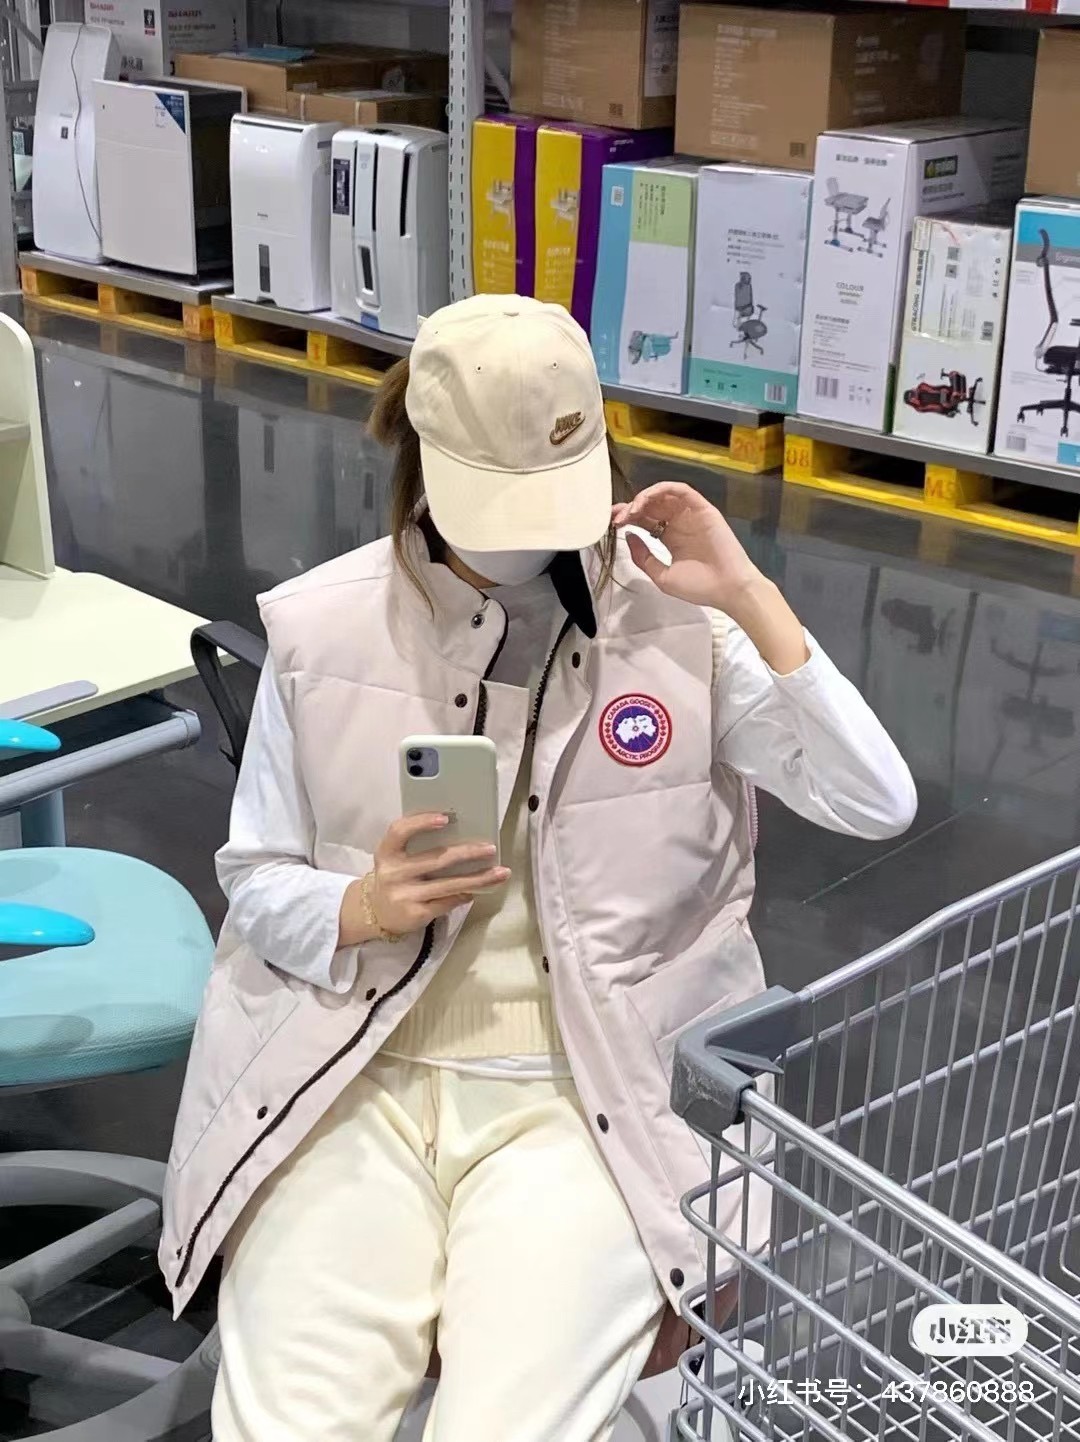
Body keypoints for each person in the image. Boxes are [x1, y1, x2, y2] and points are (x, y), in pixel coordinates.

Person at [160, 295, 916, 1441]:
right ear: (421, 459)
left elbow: (876, 799)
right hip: (351, 1069)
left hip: (588, 1087)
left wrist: (751, 598)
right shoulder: (323, 628)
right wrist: (360, 902)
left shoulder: (682, 629)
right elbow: (256, 876)